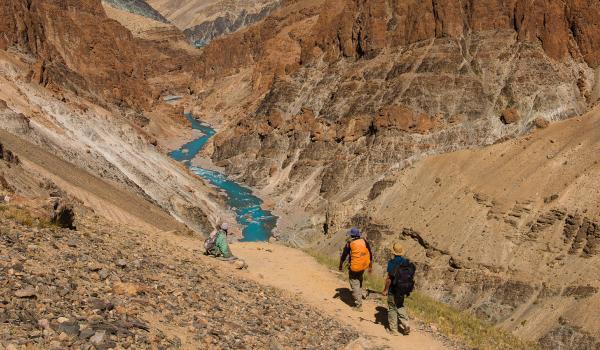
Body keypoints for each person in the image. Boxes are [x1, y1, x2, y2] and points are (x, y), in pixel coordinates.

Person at [382, 242, 415, 336]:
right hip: (403, 289)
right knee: (400, 305)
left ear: (393, 252)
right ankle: (406, 323)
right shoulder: (406, 262)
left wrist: (385, 290)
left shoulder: (392, 262)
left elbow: (389, 279)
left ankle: (393, 330)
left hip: (393, 289)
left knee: (392, 308)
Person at [338, 227, 373, 311]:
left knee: (354, 283)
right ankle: (359, 296)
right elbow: (370, 253)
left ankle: (358, 305)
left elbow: (344, 255)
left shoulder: (349, 243)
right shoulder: (364, 241)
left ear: (352, 235)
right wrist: (370, 266)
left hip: (354, 267)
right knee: (359, 281)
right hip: (363, 265)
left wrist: (340, 265)